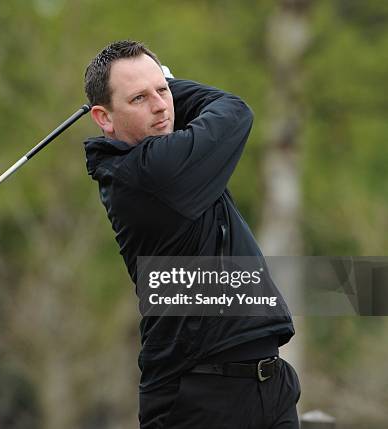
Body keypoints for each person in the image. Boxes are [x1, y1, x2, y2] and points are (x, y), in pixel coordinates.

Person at [83, 40, 301, 428]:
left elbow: (204, 109)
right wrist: (168, 80)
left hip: (268, 386)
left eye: (163, 92)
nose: (161, 106)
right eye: (139, 99)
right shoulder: (150, 175)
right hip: (197, 397)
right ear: (103, 118)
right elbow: (234, 110)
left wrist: (149, 85)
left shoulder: (166, 153)